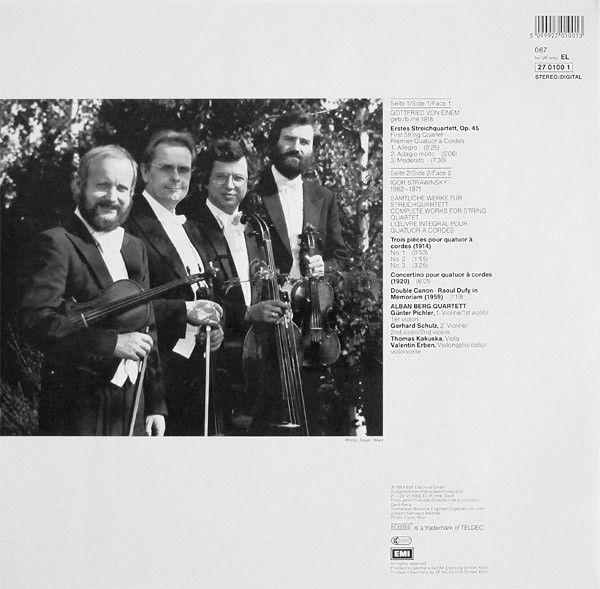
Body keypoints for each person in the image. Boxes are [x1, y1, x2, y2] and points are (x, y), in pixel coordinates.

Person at [18, 145, 166, 436]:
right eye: (102, 185)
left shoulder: (135, 248)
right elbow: (35, 322)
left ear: (132, 194)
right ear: (78, 186)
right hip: (77, 412)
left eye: (121, 188)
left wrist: (155, 404)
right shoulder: (56, 243)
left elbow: (148, 327)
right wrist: (111, 344)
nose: (112, 197)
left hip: (133, 407)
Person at [124, 130, 224, 435]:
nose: (177, 177)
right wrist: (185, 310)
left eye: (184, 169)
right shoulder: (128, 226)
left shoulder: (192, 228)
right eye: (166, 168)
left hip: (197, 375)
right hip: (156, 379)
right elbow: (126, 307)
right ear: (144, 172)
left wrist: (215, 328)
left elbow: (206, 295)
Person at [254, 111, 347, 280]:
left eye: (304, 142)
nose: (296, 148)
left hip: (312, 295)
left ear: (312, 149)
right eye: (289, 139)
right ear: (274, 143)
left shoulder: (326, 197)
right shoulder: (253, 195)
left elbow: (339, 258)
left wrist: (324, 267)